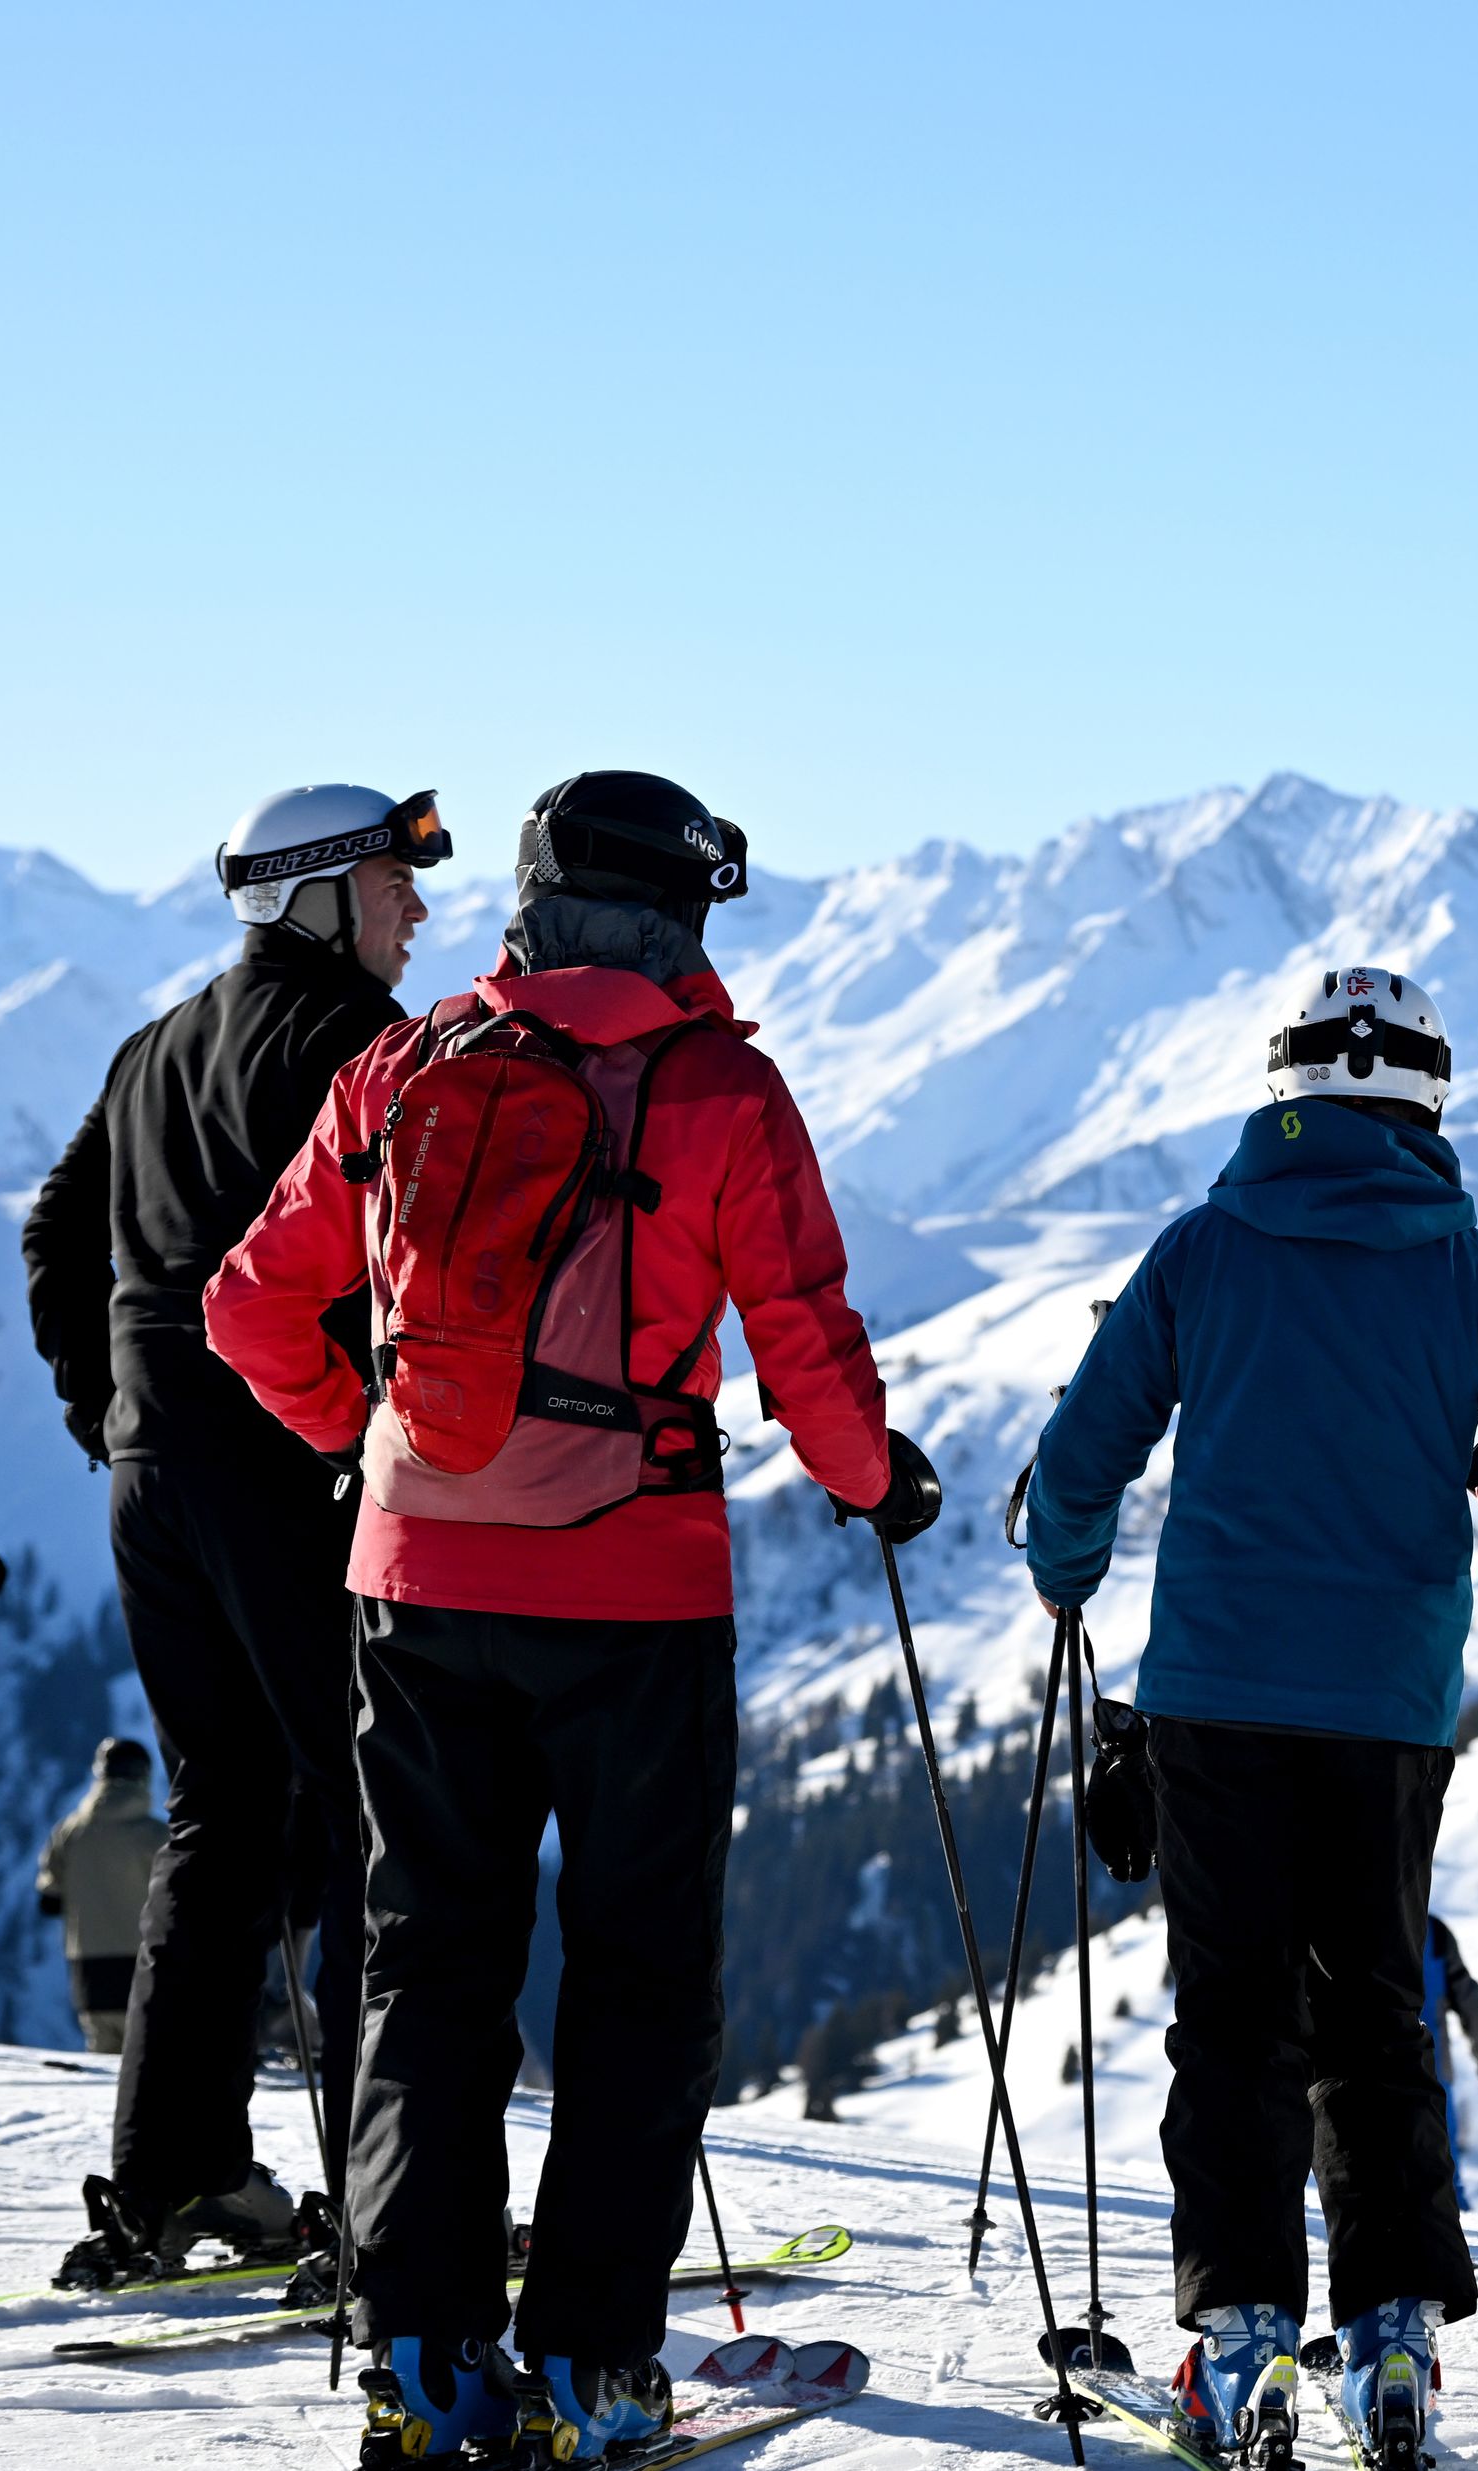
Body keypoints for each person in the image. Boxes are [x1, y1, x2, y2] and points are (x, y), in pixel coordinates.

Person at [205, 770, 921, 2469]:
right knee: (636, 1977)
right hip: (634, 1593)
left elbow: (248, 1308)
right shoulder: (720, 1085)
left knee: (426, 1967)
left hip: (416, 1583)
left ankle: (424, 2363)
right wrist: (879, 1480)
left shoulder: (405, 1061)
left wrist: (368, 1451)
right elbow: (803, 1334)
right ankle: (598, 2363)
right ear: (674, 911)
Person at [1025, 963, 1478, 2471]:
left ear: (1282, 1086)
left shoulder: (1203, 1248)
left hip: (1216, 1700)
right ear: (1430, 1094)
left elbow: (1079, 1460)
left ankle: (1238, 2340)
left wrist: (1069, 1574)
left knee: (1231, 2017)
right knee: (1372, 2013)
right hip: (1387, 1709)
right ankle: (1391, 2339)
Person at [21, 782, 444, 2284]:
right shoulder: (365, 1046)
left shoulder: (153, 1045)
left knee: (224, 1811)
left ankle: (168, 2180)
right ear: (318, 893)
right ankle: (385, 2202)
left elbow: (54, 1232)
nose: (416, 907)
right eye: (395, 880)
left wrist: (111, 1406)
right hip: (297, 1466)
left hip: (155, 1480)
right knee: (361, 1816)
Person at [41, 1739, 170, 2053]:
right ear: (144, 1777)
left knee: (103, 2066)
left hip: (89, 1970)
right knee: (151, 2064)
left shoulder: (68, 1833)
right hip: (148, 1964)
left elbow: (48, 1900)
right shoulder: (157, 1836)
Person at [1423, 1916, 1478, 2151]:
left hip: (1357, 2081)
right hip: (1432, 2077)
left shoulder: (1340, 1916)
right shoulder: (1433, 1932)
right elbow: (1467, 1998)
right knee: (1440, 2171)